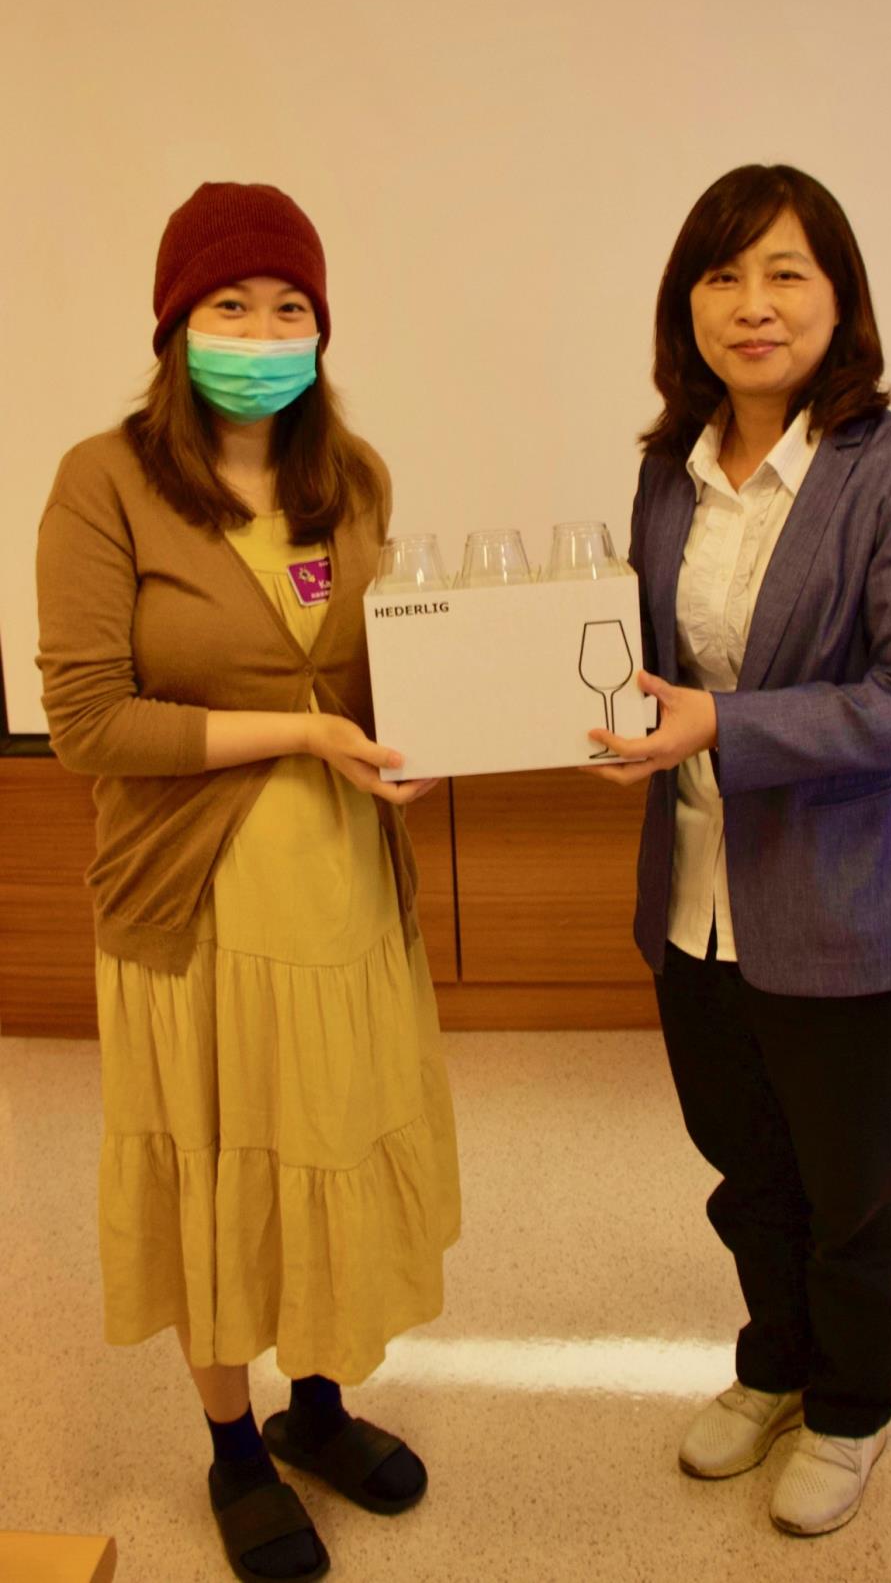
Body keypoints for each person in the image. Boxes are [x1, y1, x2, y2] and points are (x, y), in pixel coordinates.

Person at [36, 181, 461, 1582]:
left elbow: (378, 670)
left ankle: (316, 1408)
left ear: (320, 329)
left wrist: (430, 730)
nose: (263, 333)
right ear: (176, 323)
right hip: (194, 904)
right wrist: (300, 733)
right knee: (218, 1163)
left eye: (290, 308)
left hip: (343, 891)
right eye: (231, 304)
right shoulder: (104, 482)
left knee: (322, 1141)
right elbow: (88, 722)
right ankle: (232, 1446)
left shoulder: (355, 477)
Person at [588, 163, 891, 1536]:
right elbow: (640, 656)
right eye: (722, 275)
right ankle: (775, 1363)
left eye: (785, 273)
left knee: (852, 1186)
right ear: (686, 306)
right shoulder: (669, 472)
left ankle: (853, 1405)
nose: (752, 304)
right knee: (744, 1164)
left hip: (853, 906)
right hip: (695, 897)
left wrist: (724, 724)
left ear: (839, 298)